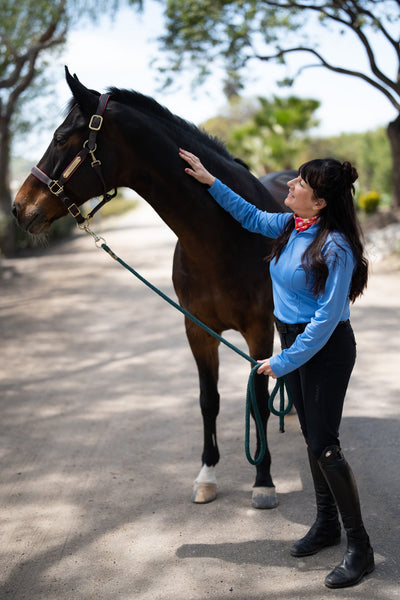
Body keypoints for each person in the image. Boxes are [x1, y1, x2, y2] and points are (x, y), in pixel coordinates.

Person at [179, 148, 374, 589]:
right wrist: (211, 180)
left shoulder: (336, 246)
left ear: (320, 202)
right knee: (310, 436)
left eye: (301, 183)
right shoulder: (290, 225)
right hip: (294, 343)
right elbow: (248, 214)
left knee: (325, 445)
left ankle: (360, 548)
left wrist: (283, 359)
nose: (289, 184)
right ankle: (326, 526)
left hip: (323, 348)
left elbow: (326, 320)